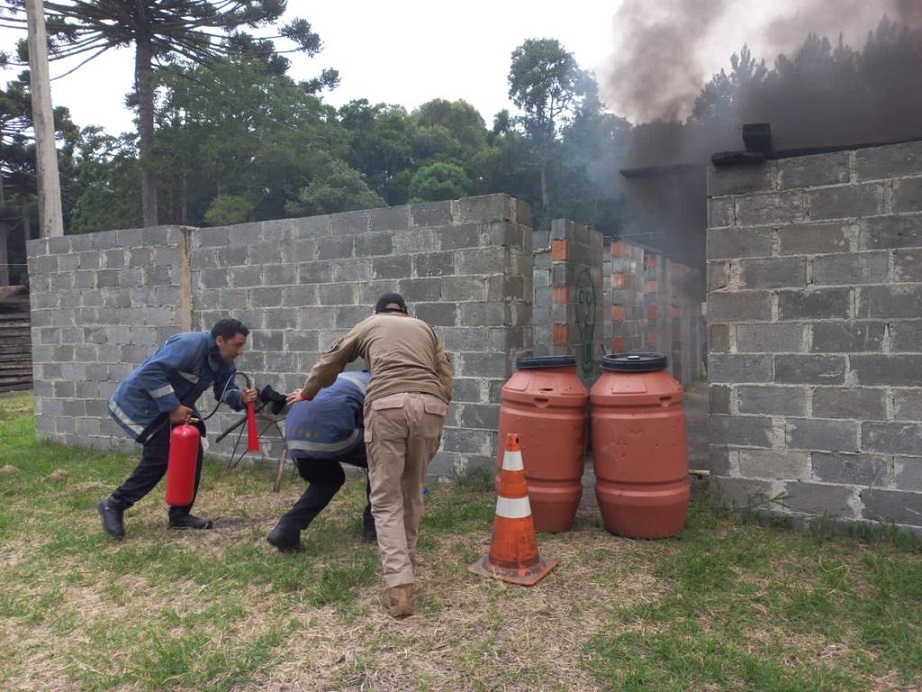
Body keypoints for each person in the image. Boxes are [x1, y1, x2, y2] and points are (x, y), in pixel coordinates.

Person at [289, 292, 452, 618]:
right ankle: (406, 563)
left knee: (386, 498)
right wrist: (436, 405)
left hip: (387, 407)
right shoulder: (426, 329)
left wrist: (307, 392)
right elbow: (445, 377)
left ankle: (400, 587)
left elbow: (331, 362)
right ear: (407, 312)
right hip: (431, 407)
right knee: (412, 492)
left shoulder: (369, 324)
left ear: (376, 311)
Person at [98, 318, 257, 539]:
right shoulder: (189, 345)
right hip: (139, 403)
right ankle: (114, 503)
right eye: (237, 345)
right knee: (160, 455)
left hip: (175, 406)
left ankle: (180, 516)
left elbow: (224, 389)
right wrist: (172, 407)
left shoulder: (224, 360)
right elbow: (150, 373)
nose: (240, 351)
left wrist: (240, 397)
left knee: (192, 451)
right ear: (220, 340)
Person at [266, 370, 377, 552]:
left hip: (294, 437)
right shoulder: (379, 384)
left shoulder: (341, 377)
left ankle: (286, 529)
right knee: (383, 459)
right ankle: (374, 526)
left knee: (327, 480)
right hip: (331, 432)